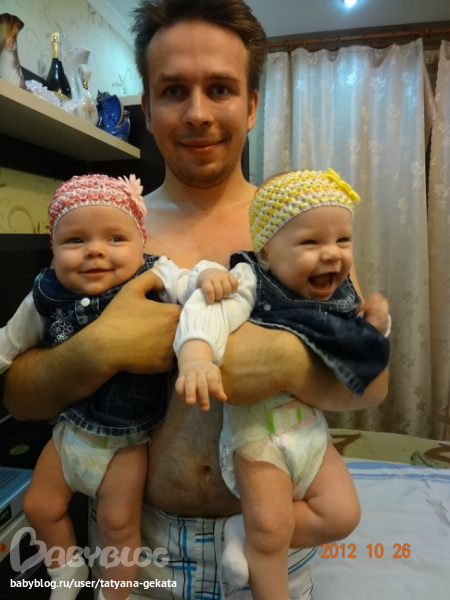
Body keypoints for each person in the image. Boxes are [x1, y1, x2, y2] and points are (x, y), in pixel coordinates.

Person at [3, 1, 389, 598]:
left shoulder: (303, 231)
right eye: (174, 91)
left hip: (271, 548)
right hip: (138, 552)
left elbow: (372, 383)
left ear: (252, 106)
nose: (198, 113)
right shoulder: (99, 231)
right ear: (148, 108)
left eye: (221, 89)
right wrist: (98, 349)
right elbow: (17, 396)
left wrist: (284, 361)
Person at [0, 173, 236, 600]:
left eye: (115, 238)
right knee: (38, 506)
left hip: (126, 445)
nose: (95, 250)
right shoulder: (45, 292)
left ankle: (114, 594)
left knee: (118, 526)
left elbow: (188, 280)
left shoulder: (155, 273)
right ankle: (66, 568)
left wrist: (208, 275)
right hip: (68, 433)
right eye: (75, 240)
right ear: (53, 248)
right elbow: (9, 342)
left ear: (141, 242)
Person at [174, 169, 390, 600]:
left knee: (342, 515)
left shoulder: (341, 293)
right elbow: (206, 311)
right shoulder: (250, 281)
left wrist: (378, 326)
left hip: (309, 433)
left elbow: (363, 361)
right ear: (266, 252)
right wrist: (196, 356)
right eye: (310, 242)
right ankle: (260, 541)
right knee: (271, 534)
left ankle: (244, 528)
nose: (331, 254)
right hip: (258, 437)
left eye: (343, 240)